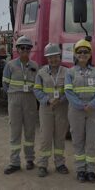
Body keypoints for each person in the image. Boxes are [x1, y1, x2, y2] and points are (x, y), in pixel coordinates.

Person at [64, 39, 95, 183]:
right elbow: (68, 92)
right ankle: (81, 170)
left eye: (86, 51)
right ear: (75, 54)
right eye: (79, 51)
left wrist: (93, 104)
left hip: (93, 110)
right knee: (78, 140)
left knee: (92, 141)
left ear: (90, 54)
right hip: (76, 111)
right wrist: (81, 106)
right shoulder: (70, 72)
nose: (83, 54)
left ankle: (91, 170)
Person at [2, 36, 39, 174]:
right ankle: (14, 162)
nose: (25, 50)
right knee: (15, 131)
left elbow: (38, 85)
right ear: (17, 49)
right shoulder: (10, 65)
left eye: (28, 48)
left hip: (30, 99)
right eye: (22, 47)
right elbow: (5, 84)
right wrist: (12, 95)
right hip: (15, 100)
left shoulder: (35, 66)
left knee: (30, 131)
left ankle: (30, 159)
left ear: (30, 50)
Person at [33, 43, 69, 177]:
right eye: (50, 57)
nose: (53, 60)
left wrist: (61, 99)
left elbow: (69, 90)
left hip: (61, 108)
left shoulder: (67, 72)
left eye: (55, 57)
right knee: (46, 137)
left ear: (60, 56)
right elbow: (36, 89)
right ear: (46, 59)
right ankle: (43, 164)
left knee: (60, 136)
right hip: (46, 108)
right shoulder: (41, 72)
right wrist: (47, 100)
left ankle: (60, 163)